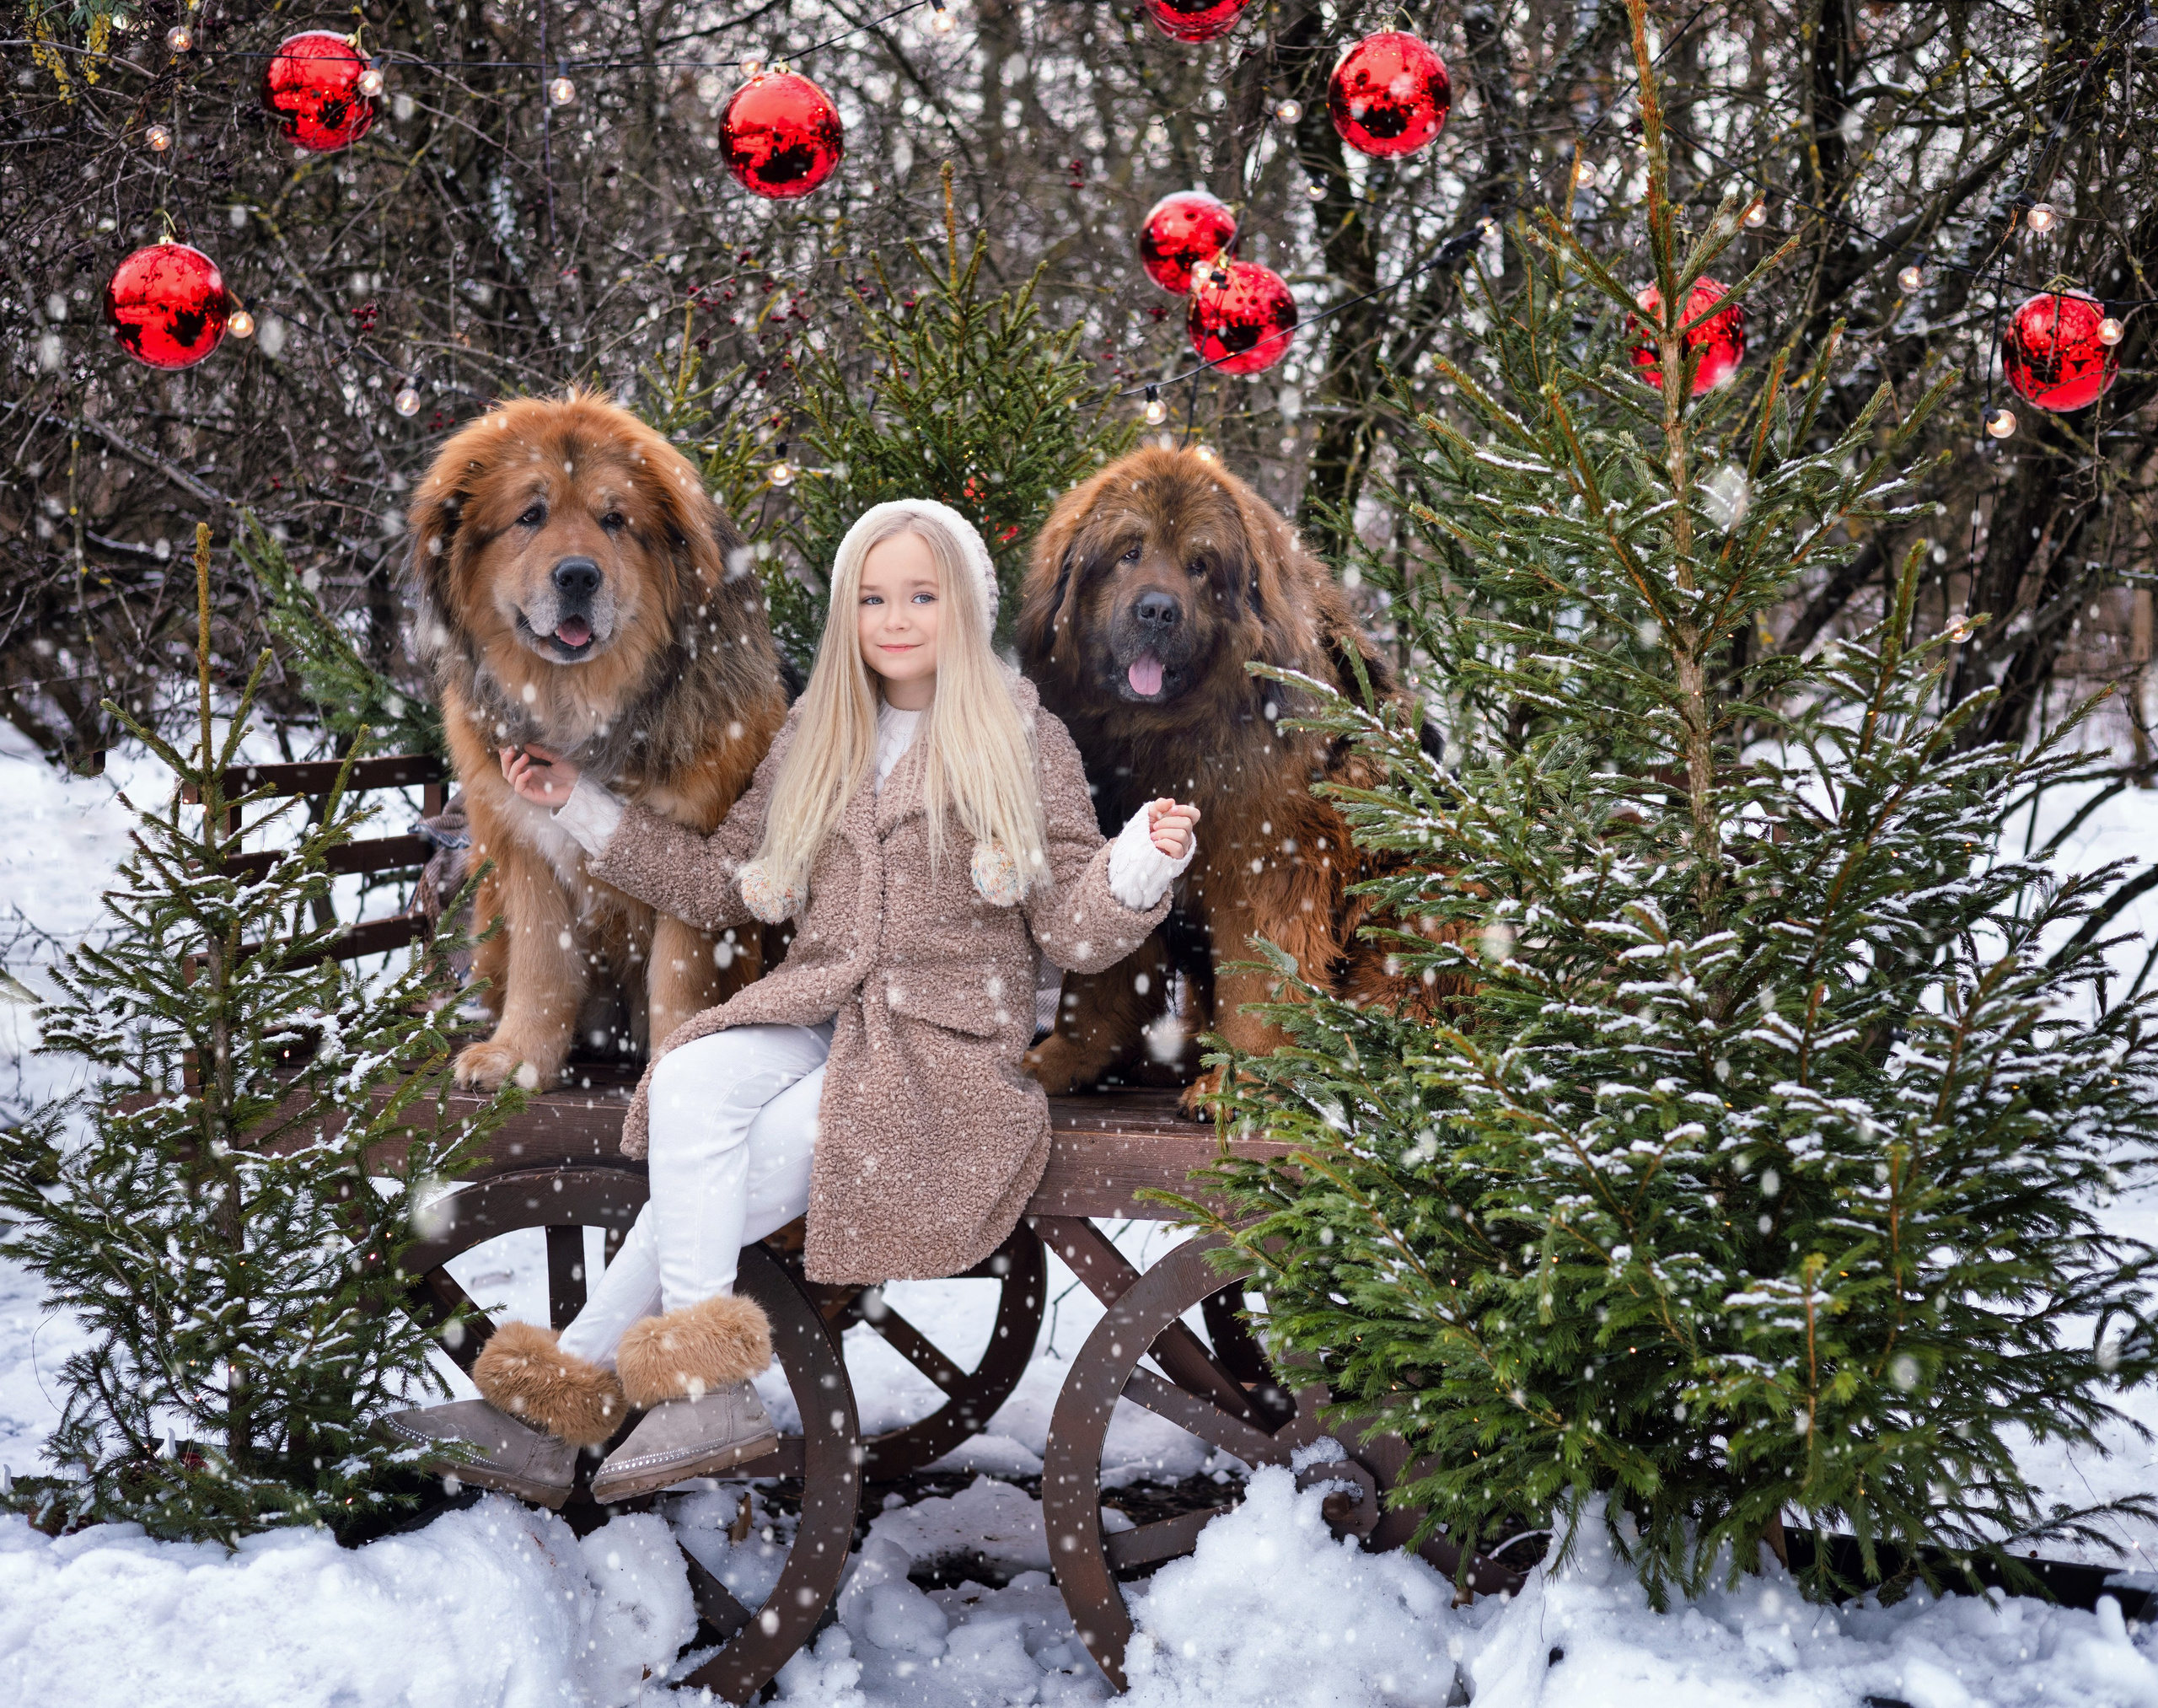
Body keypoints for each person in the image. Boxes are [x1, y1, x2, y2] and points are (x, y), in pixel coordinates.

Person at [381, 499, 1200, 1507]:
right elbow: (721, 882)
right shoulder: (823, 730)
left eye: (920, 595)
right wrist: (577, 804)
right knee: (690, 1075)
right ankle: (664, 1394)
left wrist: (1134, 866)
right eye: (871, 597)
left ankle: (595, 1396)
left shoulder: (1021, 741)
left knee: (742, 1162)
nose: (894, 619)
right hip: (818, 1010)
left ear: (966, 605)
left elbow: (1074, 929)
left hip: (938, 1054)